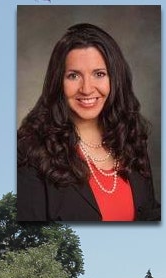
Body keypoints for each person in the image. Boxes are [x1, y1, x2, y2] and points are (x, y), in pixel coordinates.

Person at [17, 23, 160, 221]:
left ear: (115, 79)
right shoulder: (29, 152)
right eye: (73, 75)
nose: (86, 89)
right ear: (58, 81)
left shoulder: (132, 141)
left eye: (99, 74)